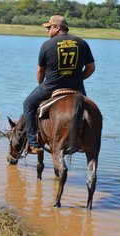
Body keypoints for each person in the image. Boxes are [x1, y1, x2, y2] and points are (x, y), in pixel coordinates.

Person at [23, 15, 96, 154]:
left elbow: (40, 70)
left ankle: (33, 143)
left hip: (51, 87)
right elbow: (91, 68)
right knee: (88, 112)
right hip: (77, 88)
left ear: (57, 28)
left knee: (28, 104)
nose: (47, 31)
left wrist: (40, 85)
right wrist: (77, 79)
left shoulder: (47, 45)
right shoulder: (82, 43)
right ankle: (83, 142)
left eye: (49, 27)